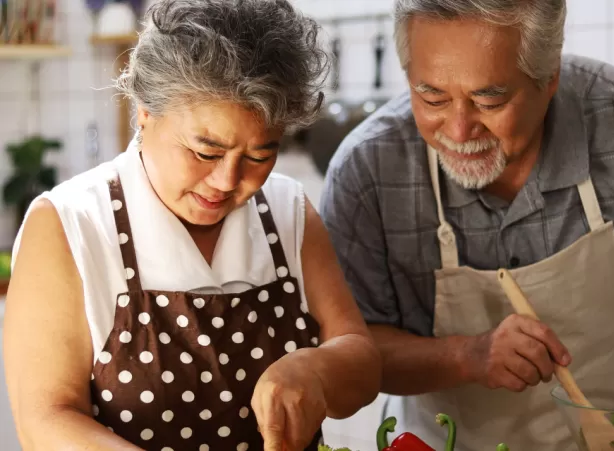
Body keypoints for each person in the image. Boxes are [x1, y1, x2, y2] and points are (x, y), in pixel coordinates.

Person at [319, 0, 614, 450]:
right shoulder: (366, 172)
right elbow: (355, 351)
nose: (457, 127)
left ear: (550, 77)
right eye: (431, 97)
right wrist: (466, 356)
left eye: (488, 98)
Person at [3, 1, 381, 450]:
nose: (228, 182)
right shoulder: (70, 224)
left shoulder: (287, 211)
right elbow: (45, 421)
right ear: (145, 111)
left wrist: (317, 369)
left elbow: (362, 363)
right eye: (205, 152)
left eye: (260, 155)